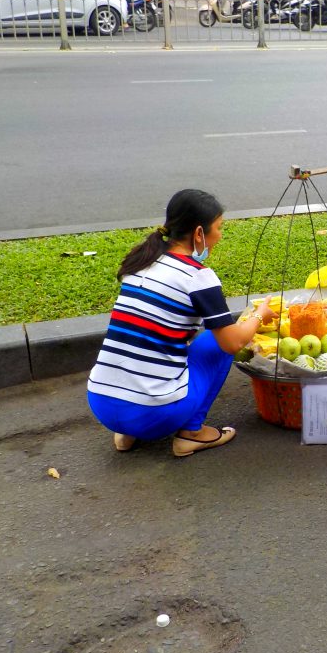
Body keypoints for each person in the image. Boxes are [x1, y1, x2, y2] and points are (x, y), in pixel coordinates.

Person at [87, 189, 278, 457]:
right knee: (216, 341)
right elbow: (233, 342)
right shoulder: (197, 277)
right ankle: (192, 434)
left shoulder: (141, 260)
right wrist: (259, 316)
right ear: (199, 233)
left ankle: (127, 434)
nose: (220, 236)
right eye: (219, 228)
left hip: (101, 404)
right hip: (154, 414)